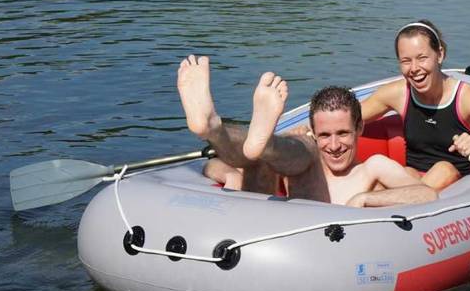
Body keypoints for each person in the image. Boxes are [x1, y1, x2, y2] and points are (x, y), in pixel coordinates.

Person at [176, 55, 437, 208]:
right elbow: (212, 166)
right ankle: (215, 129)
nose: (334, 145)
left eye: (342, 133)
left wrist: (365, 198)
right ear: (314, 129)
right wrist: (232, 177)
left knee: (282, 152)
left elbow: (426, 194)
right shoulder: (311, 152)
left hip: (319, 251)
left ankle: (243, 138)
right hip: (266, 233)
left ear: (359, 127)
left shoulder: (373, 168)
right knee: (293, 151)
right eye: (324, 135)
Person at [360, 20, 470, 190]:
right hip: (412, 179)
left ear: (440, 55)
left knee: (444, 169)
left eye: (422, 58)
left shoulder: (468, 99)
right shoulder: (398, 93)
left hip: (455, 187)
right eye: (405, 61)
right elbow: (349, 117)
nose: (414, 68)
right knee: (399, 170)